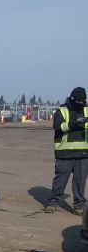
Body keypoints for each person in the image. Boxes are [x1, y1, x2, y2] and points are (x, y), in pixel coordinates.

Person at [45, 87, 88, 215]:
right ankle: (53, 202)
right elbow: (58, 127)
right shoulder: (62, 110)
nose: (80, 104)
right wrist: (73, 124)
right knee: (60, 179)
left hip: (83, 152)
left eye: (82, 101)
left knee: (80, 180)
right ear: (72, 98)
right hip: (65, 152)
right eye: (78, 101)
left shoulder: (86, 109)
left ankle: (79, 205)